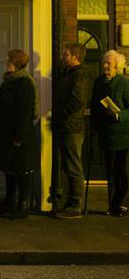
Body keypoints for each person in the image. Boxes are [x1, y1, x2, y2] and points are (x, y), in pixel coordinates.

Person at [0, 49, 40, 219]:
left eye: (8, 60)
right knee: (8, 169)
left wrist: (19, 137)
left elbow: (25, 112)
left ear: (15, 63)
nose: (5, 62)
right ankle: (9, 203)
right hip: (5, 131)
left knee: (21, 169)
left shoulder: (24, 83)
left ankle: (22, 205)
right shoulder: (8, 81)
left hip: (18, 134)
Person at [51, 43, 92, 219]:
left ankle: (75, 205)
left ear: (76, 57)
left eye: (66, 55)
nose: (62, 57)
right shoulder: (69, 74)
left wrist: (59, 114)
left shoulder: (80, 75)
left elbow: (77, 100)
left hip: (72, 127)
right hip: (66, 125)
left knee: (73, 166)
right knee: (68, 166)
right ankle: (69, 202)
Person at [90, 50, 129, 217]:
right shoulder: (98, 82)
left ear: (117, 66)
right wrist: (93, 125)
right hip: (105, 133)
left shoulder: (124, 83)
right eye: (104, 62)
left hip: (123, 135)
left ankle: (123, 205)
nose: (105, 66)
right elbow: (93, 105)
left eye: (109, 63)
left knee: (123, 172)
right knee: (110, 171)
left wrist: (119, 115)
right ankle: (111, 204)